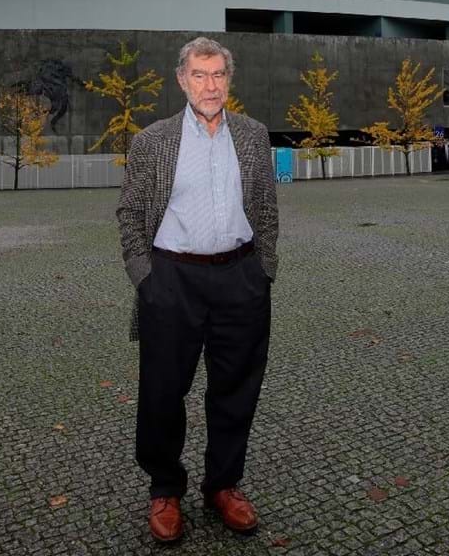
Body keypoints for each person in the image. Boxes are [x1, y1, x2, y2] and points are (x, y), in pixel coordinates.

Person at [116, 36, 279, 544]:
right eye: (200, 76)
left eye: (218, 76)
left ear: (229, 80)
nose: (210, 86)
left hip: (241, 278)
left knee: (236, 389)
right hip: (172, 280)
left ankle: (224, 485)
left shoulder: (253, 136)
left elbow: (267, 208)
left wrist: (264, 269)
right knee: (163, 392)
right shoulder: (152, 141)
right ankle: (165, 488)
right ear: (182, 80)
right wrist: (146, 277)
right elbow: (130, 214)